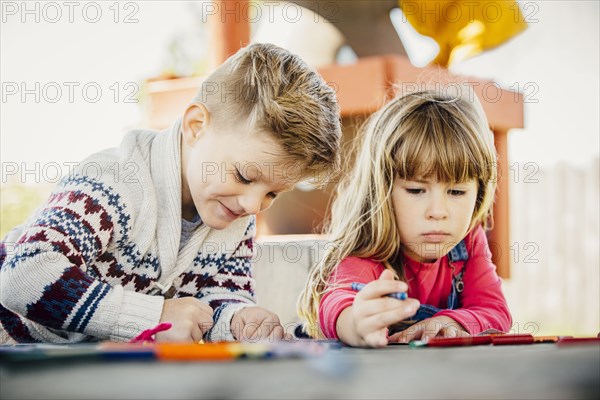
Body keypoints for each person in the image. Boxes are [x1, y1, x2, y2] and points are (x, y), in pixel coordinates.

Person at [0, 43, 342, 344]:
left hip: (81, 364)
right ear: (197, 126)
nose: (253, 205)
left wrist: (238, 319)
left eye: (273, 194)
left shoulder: (232, 211)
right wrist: (152, 316)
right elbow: (23, 276)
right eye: (243, 175)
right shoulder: (114, 179)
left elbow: (217, 300)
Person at [298, 89, 511, 347]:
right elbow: (337, 303)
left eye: (456, 191)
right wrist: (356, 323)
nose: (438, 211)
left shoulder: (468, 242)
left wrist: (454, 323)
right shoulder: (369, 247)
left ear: (478, 194)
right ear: (381, 191)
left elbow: (496, 312)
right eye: (416, 190)